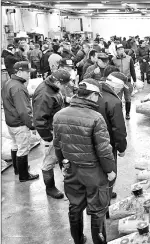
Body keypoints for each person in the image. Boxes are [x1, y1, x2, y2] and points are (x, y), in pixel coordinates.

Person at [53, 78, 116, 244]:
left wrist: (63, 166)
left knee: (74, 206)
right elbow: (103, 149)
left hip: (72, 168)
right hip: (93, 171)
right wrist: (109, 170)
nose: (98, 99)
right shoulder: (96, 118)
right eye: (97, 96)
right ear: (92, 95)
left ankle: (78, 240)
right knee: (97, 210)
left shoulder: (59, 115)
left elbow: (57, 145)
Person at [32, 70, 72, 199]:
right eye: (64, 85)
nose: (65, 87)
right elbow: (39, 120)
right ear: (57, 82)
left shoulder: (52, 87)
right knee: (49, 160)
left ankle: (68, 181)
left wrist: (66, 100)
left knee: (61, 156)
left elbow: (56, 102)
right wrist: (48, 138)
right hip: (50, 132)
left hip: (57, 129)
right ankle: (50, 188)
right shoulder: (45, 94)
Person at [1, 61, 39, 181]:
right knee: (23, 149)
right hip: (19, 123)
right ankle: (24, 175)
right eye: (27, 72)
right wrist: (32, 125)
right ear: (19, 72)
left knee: (15, 145)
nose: (29, 75)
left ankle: (18, 169)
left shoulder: (9, 83)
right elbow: (24, 111)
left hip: (10, 121)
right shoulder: (18, 87)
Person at [97, 72, 128, 204]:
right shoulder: (114, 102)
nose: (121, 91)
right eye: (121, 88)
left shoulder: (95, 93)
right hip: (107, 143)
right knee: (110, 173)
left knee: (96, 171)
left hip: (90, 141)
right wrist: (121, 147)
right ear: (116, 87)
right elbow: (118, 129)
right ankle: (105, 204)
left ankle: (96, 200)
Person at [112, 44, 137, 120]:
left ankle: (127, 113)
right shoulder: (113, 60)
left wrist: (135, 80)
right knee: (118, 98)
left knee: (128, 98)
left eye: (122, 49)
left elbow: (132, 70)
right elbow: (111, 70)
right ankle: (119, 113)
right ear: (116, 51)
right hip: (117, 82)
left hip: (127, 81)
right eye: (119, 49)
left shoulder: (129, 59)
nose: (121, 51)